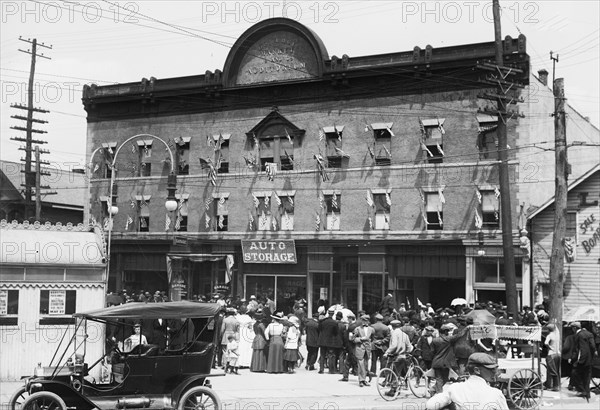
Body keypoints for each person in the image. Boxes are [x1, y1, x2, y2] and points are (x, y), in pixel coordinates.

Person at [426, 352, 509, 410]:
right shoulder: (496, 394)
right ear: (477, 370)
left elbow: (430, 405)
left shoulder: (454, 389)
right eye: (491, 370)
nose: (495, 373)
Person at [382, 319, 413, 396]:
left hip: (396, 356)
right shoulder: (404, 335)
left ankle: (393, 390)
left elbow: (394, 345)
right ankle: (397, 388)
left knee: (393, 373)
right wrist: (407, 352)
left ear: (392, 326)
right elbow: (409, 347)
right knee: (398, 373)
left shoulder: (394, 333)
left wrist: (387, 352)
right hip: (403, 356)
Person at [569, 321, 597, 400]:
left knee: (575, 373)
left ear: (574, 328)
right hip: (589, 359)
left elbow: (581, 349)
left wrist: (580, 360)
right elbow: (592, 346)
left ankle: (582, 390)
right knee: (587, 376)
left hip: (583, 359)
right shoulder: (589, 334)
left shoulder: (579, 335)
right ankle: (587, 393)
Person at [351, 314, 374, 387]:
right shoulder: (357, 329)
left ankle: (364, 379)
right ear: (361, 321)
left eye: (366, 321)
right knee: (360, 365)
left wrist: (370, 343)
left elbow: (372, 338)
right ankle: (361, 380)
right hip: (360, 348)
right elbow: (352, 338)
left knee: (366, 365)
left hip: (367, 349)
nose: (365, 322)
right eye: (363, 320)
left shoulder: (371, 329)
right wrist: (360, 339)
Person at [317, 307, 343, 374]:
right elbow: (336, 332)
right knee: (331, 355)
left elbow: (319, 329)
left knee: (322, 355)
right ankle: (331, 370)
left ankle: (321, 369)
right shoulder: (334, 323)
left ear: (328, 313)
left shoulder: (323, 322)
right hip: (330, 341)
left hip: (322, 340)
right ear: (333, 314)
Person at [544, 323, 561, 391]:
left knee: (551, 370)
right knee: (556, 370)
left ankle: (554, 386)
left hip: (551, 354)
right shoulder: (557, 334)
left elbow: (545, 343)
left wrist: (549, 347)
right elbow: (556, 328)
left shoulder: (550, 335)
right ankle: (552, 385)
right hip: (558, 354)